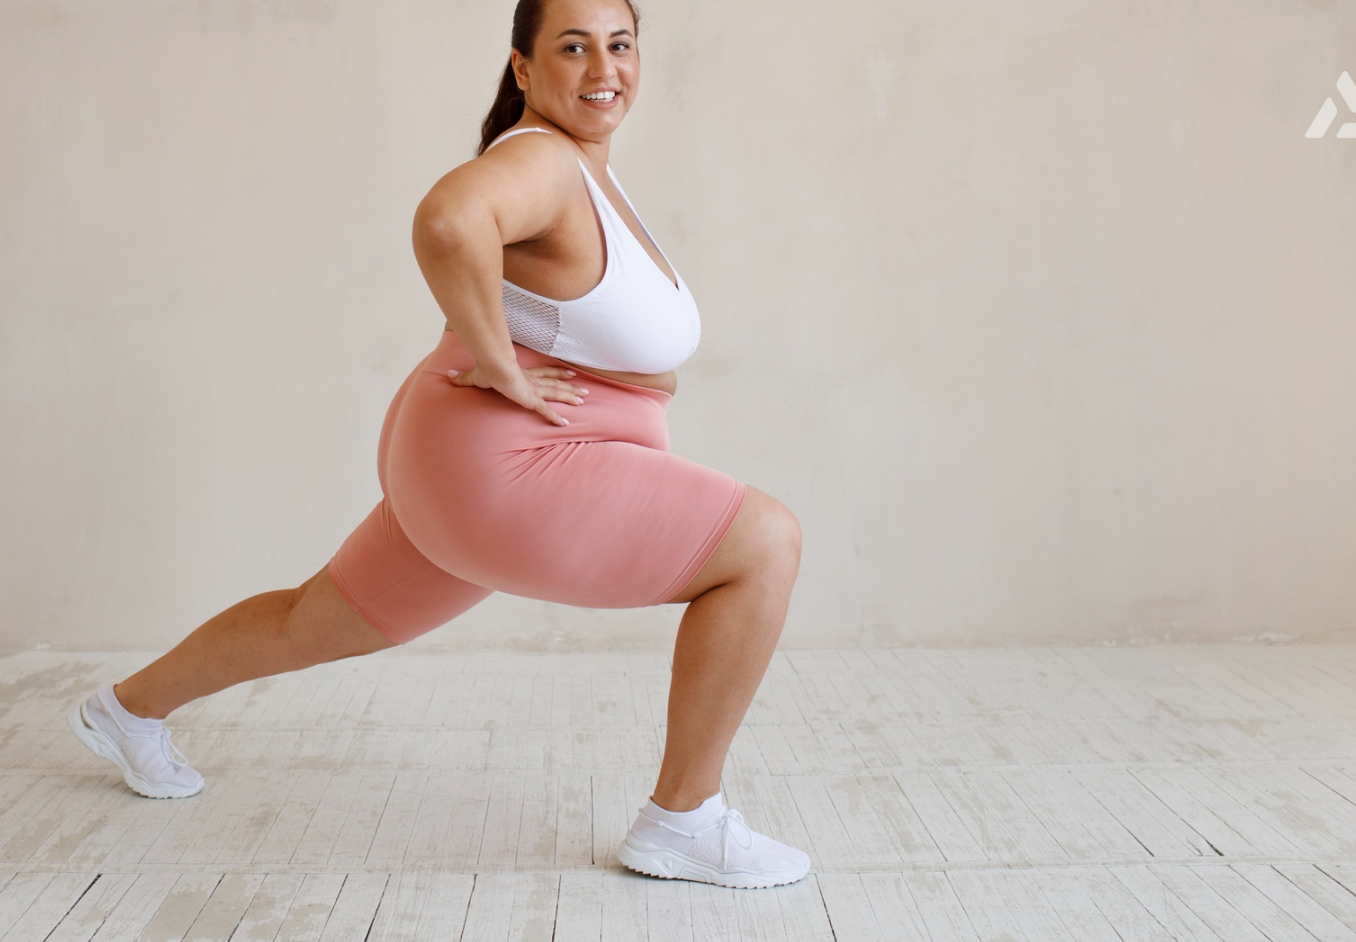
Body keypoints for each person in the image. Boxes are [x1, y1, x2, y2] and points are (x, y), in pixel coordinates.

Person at [68, 0, 810, 889]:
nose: (603, 67)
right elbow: (449, 221)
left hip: (463, 463)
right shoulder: (541, 159)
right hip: (507, 468)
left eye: (620, 45)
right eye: (572, 47)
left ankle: (127, 711)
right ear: (524, 69)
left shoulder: (577, 166)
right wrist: (501, 365)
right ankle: (684, 821)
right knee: (763, 545)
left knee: (317, 620)